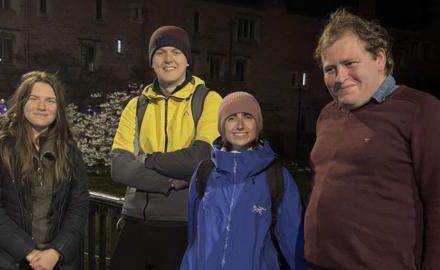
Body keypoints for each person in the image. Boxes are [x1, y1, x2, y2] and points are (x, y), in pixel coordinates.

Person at [305, 9, 440, 269]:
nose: (340, 77)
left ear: (379, 58)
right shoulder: (327, 115)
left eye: (349, 64)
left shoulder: (420, 110)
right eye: (330, 69)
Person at [109, 25, 222, 270]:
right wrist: (169, 183)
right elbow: (118, 166)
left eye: (176, 52)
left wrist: (145, 160)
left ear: (187, 60)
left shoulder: (209, 101)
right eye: (160, 52)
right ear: (152, 61)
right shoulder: (135, 106)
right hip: (134, 222)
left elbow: (200, 158)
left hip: (183, 224)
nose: (168, 59)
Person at [0, 71, 89, 270]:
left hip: (55, 262)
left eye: (50, 101)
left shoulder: (70, 152)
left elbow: (78, 207)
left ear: (58, 108)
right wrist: (31, 252)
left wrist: (56, 251)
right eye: (34, 98)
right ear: (21, 103)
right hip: (6, 261)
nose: (42, 107)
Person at [181, 91, 305, 270]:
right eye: (231, 118)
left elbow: (295, 245)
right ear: (222, 126)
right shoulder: (204, 173)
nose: (240, 125)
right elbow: (193, 236)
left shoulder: (277, 178)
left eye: (247, 116)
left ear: (258, 124)